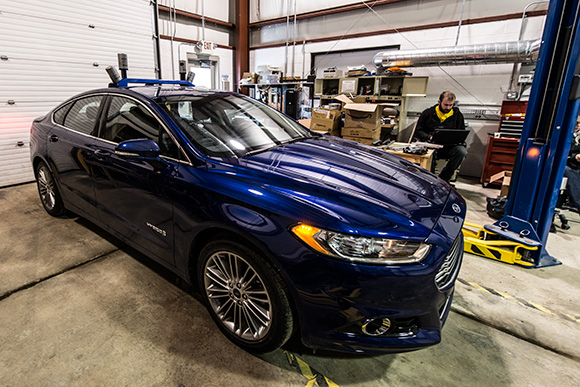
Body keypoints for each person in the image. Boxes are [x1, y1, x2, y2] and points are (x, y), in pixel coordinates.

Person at [414, 91, 468, 182]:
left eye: (451, 105)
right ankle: (429, 179)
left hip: (449, 146)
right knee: (430, 153)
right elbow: (418, 131)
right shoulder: (428, 113)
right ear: (439, 102)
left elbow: (461, 132)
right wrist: (429, 137)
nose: (448, 107)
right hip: (431, 145)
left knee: (461, 152)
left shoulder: (457, 116)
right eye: (446, 105)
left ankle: (444, 178)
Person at [563, 122, 580, 211]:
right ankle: (578, 203)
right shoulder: (564, 136)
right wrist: (575, 157)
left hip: (575, 166)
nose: (578, 125)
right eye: (576, 123)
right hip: (564, 165)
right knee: (568, 172)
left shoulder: (577, 137)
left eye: (579, 123)